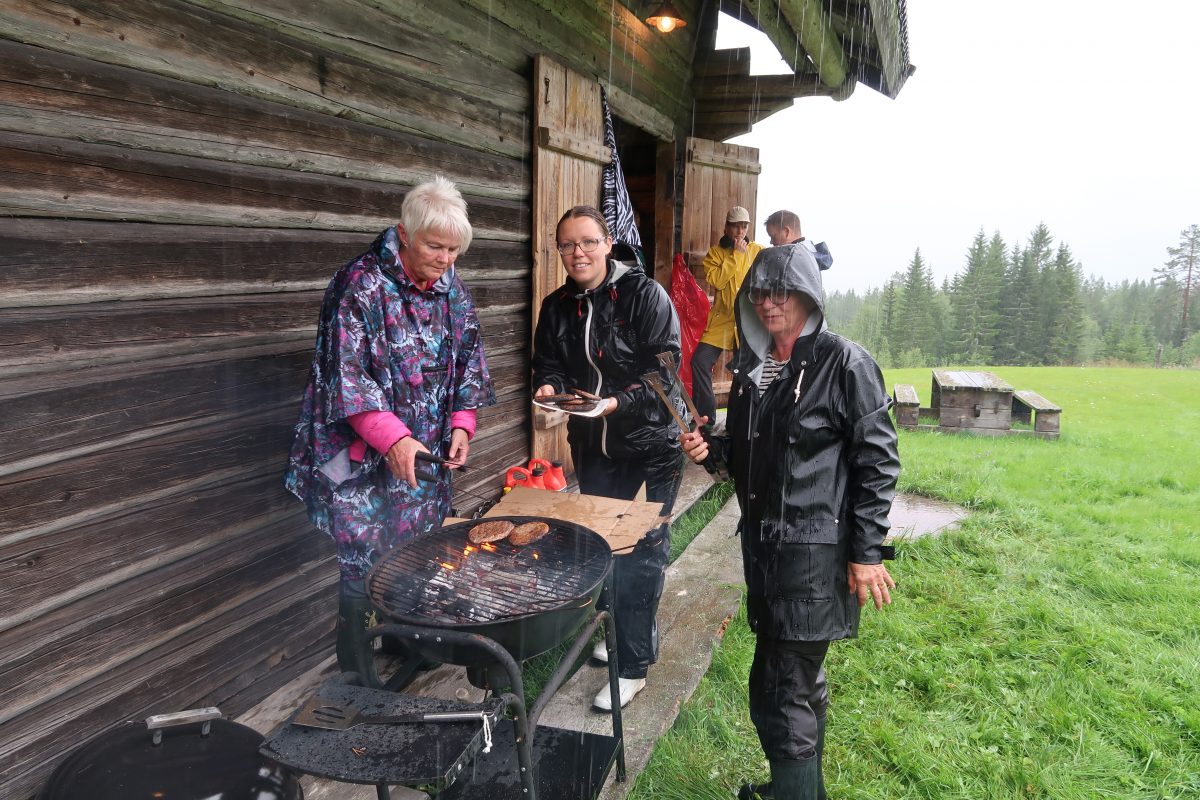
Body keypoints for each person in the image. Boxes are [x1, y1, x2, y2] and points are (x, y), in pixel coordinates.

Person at [680, 243, 900, 799]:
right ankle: (801, 791)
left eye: (782, 292)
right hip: (767, 557)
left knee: (781, 693)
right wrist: (713, 449)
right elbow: (756, 455)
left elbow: (877, 461)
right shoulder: (758, 368)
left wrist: (866, 551)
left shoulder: (846, 363)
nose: (770, 303)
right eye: (759, 292)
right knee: (798, 685)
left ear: (809, 296)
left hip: (812, 560)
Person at [285, 176, 495, 686]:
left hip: (424, 459)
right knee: (361, 566)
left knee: (416, 555)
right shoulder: (359, 286)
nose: (445, 259)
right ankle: (357, 675)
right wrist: (396, 439)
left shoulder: (451, 289)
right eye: (435, 246)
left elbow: (469, 361)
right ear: (404, 234)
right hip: (360, 460)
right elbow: (347, 379)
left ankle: (411, 646)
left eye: (453, 250)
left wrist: (462, 425)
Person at [531, 205, 685, 711]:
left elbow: (664, 373)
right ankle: (620, 629)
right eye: (568, 245)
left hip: (650, 446)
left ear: (608, 243)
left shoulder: (644, 296)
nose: (578, 253)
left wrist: (615, 403)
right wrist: (549, 389)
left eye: (588, 242)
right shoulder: (556, 306)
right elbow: (547, 363)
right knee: (602, 544)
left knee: (641, 552)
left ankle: (633, 666)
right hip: (592, 446)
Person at [691, 206, 764, 426]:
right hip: (722, 320)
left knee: (744, 372)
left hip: (748, 322)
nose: (740, 231)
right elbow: (717, 282)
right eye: (735, 226)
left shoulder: (758, 251)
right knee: (699, 362)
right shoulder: (715, 253)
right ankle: (707, 418)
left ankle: (737, 421)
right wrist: (735, 256)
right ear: (726, 227)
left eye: (744, 226)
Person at [764, 209, 833, 270]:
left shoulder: (793, 259)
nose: (771, 242)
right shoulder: (811, 258)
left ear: (786, 232)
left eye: (773, 236)